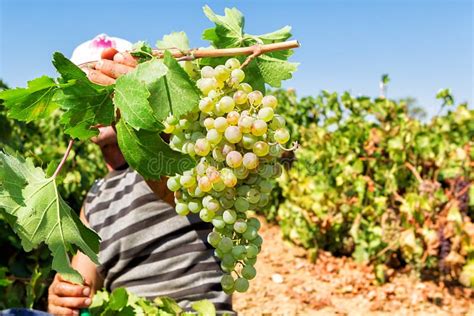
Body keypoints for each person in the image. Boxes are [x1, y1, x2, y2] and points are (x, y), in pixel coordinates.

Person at [47, 35, 233, 316]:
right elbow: (81, 282)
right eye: (85, 89)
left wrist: (142, 119)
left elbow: (181, 190)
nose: (99, 95)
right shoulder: (95, 196)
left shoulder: (180, 152)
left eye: (108, 84)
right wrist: (61, 299)